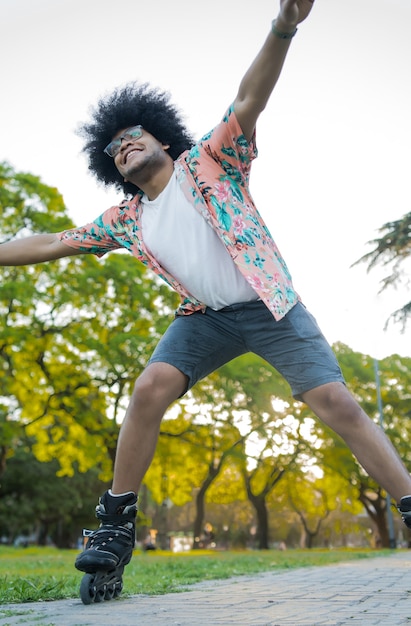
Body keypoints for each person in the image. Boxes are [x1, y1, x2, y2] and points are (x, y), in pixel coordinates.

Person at [1, 0, 410, 578]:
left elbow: (249, 99)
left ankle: (409, 502)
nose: (125, 146)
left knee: (337, 403)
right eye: (115, 149)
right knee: (148, 388)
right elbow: (50, 243)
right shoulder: (127, 217)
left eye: (134, 136)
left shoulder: (213, 159)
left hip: (271, 305)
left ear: (162, 139)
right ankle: (116, 524)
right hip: (206, 318)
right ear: (115, 169)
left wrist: (283, 27)